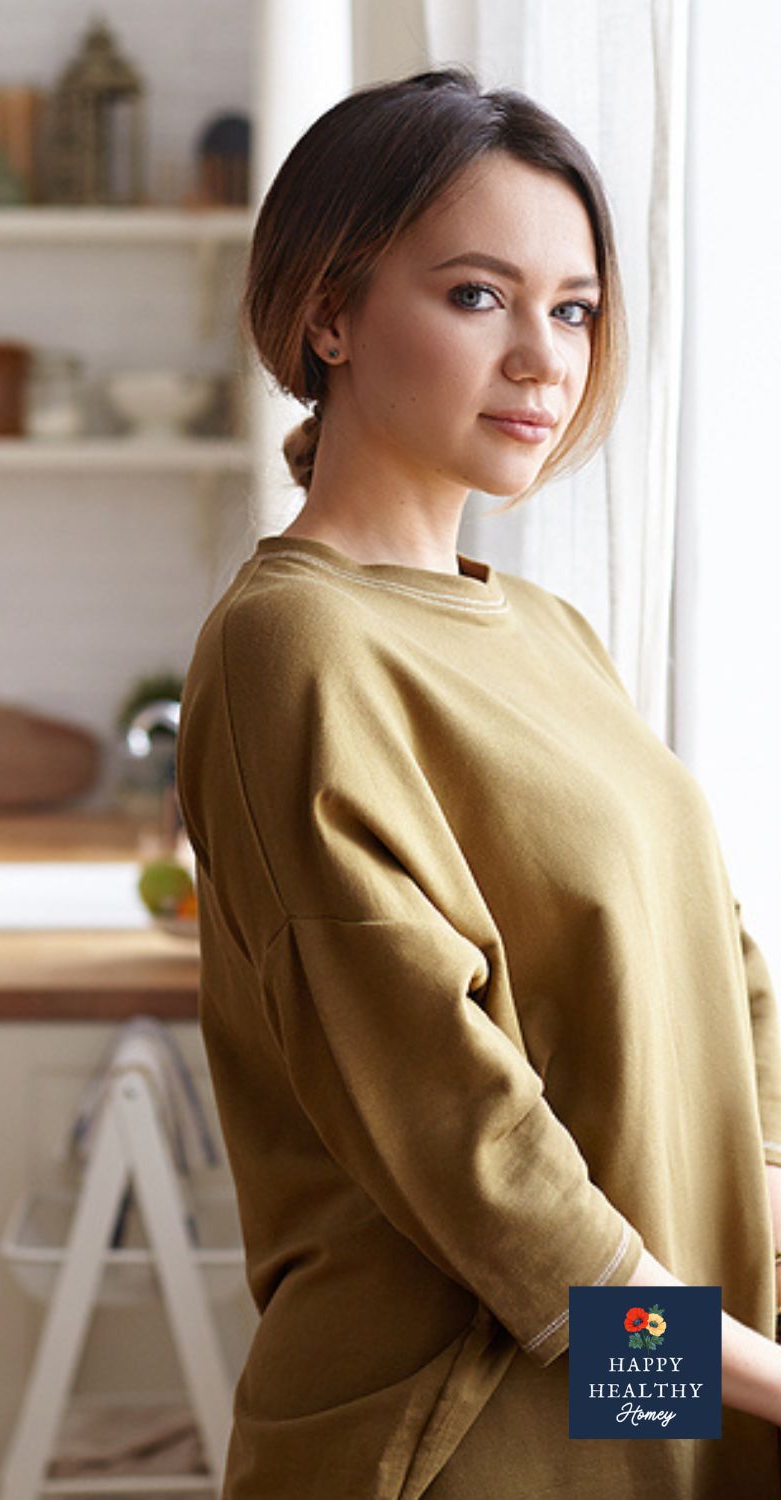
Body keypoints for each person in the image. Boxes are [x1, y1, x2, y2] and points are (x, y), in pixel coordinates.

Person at [175, 65, 781, 1497]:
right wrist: (743, 1377)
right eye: (476, 295)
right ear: (327, 312)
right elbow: (473, 1156)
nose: (544, 358)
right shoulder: (293, 647)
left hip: (648, 1394)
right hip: (465, 1429)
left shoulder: (547, 631)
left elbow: (723, 970)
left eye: (571, 308)